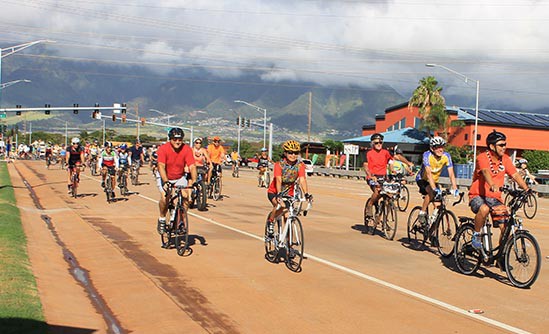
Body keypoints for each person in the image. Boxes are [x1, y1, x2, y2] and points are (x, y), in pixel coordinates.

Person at [469, 130, 530, 253]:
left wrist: (527, 189)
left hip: (495, 198)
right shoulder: (482, 157)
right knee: (484, 209)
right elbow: (486, 171)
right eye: (501, 145)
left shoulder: (506, 159)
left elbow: (515, 175)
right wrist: (492, 184)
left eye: (505, 144)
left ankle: (501, 256)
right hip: (477, 195)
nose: (504, 147)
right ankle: (476, 235)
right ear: (492, 146)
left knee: (505, 228)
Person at [266, 140, 312, 237]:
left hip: (288, 193)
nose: (293, 155)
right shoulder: (279, 165)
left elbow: (302, 180)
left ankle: (288, 243)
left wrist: (306, 194)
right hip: (274, 191)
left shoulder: (300, 166)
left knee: (288, 216)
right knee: (281, 206)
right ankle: (271, 221)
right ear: (285, 153)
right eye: (290, 152)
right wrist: (279, 194)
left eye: (296, 153)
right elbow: (278, 180)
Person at [156, 128, 197, 235]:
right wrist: (165, 181)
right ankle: (162, 218)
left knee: (186, 197)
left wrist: (194, 181)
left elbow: (192, 166)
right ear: (170, 139)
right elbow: (161, 166)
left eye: (180, 139)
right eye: (174, 139)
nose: (177, 142)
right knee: (165, 198)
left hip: (179, 177)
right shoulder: (163, 149)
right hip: (164, 176)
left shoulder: (187, 149)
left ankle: (181, 221)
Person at [363, 133, 409, 220]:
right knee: (377, 192)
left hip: (383, 177)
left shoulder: (385, 152)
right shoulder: (368, 153)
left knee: (389, 197)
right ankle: (370, 205)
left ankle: (384, 219)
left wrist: (405, 164)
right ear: (372, 143)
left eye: (380, 142)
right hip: (373, 177)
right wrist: (370, 175)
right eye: (376, 143)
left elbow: (392, 160)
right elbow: (366, 166)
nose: (379, 144)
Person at [415, 136, 459, 225]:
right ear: (432, 148)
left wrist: (455, 188)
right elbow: (428, 174)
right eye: (437, 147)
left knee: (438, 204)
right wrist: (434, 189)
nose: (440, 149)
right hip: (423, 179)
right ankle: (422, 213)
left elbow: (451, 173)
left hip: (434, 181)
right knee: (431, 193)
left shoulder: (446, 156)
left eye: (442, 147)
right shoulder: (427, 155)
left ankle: (432, 224)